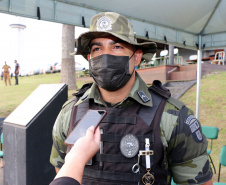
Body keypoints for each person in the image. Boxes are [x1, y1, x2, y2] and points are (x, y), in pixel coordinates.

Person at [50, 12, 213, 185]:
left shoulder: (173, 117)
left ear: (136, 56)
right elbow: (62, 170)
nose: (105, 56)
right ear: (90, 58)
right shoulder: (70, 113)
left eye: (117, 47)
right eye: (97, 48)